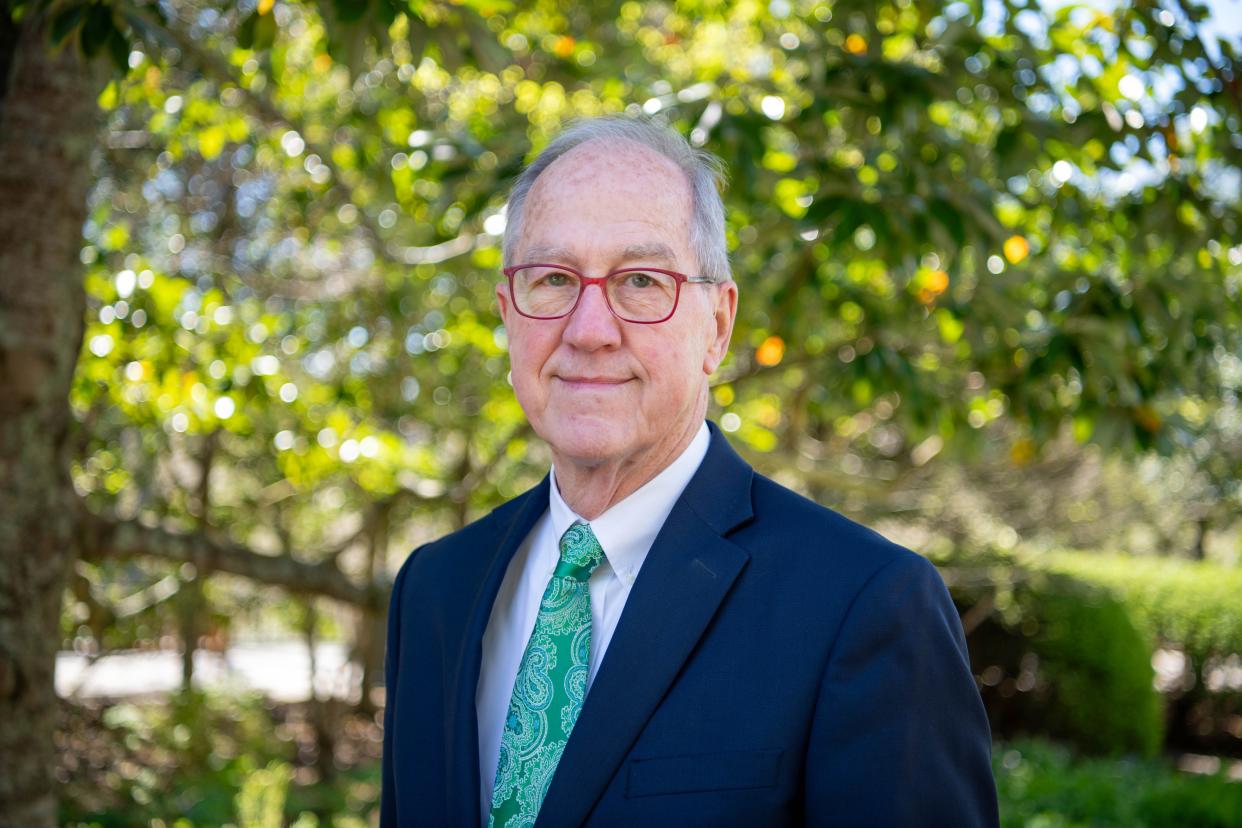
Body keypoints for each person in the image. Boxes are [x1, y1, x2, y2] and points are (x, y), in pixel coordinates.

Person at [380, 115, 999, 827]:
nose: (589, 329)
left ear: (717, 325)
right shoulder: (434, 590)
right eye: (553, 279)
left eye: (641, 281)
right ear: (508, 316)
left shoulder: (865, 605)